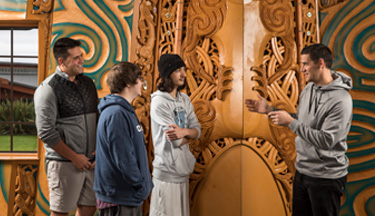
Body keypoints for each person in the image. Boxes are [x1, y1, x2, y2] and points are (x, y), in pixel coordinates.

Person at [245, 43, 352, 216]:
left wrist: (290, 124)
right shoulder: (308, 89)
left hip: (326, 178)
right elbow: (303, 121)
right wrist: (270, 110)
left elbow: (327, 140)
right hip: (302, 172)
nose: (301, 69)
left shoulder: (341, 100)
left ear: (321, 63)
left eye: (305, 64)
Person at [34, 37, 98, 216]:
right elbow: (46, 132)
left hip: (90, 163)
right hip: (64, 163)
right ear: (61, 61)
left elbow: (97, 119)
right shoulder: (48, 89)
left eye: (81, 56)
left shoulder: (88, 84)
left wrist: (98, 150)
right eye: (76, 58)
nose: (81, 60)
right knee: (61, 213)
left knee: (88, 209)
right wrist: (74, 157)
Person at [94, 62, 153, 216]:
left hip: (125, 196)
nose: (142, 83)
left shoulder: (123, 111)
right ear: (128, 83)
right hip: (120, 199)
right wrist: (140, 184)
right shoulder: (117, 114)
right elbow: (124, 158)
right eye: (139, 79)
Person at [149, 54, 201, 216]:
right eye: (178, 70)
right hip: (166, 174)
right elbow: (176, 142)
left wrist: (185, 132)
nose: (183, 74)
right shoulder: (159, 102)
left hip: (182, 172)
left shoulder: (184, 99)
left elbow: (197, 130)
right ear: (167, 74)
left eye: (184, 69)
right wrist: (188, 136)